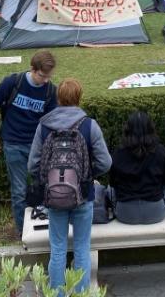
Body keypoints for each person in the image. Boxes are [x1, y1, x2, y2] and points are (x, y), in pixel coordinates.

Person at [28, 78, 111, 295]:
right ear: (79, 98)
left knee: (58, 249)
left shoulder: (44, 126)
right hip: (84, 194)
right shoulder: (89, 125)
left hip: (54, 197)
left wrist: (49, 179)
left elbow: (32, 165)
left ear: (59, 99)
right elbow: (106, 162)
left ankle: (58, 294)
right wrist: (88, 174)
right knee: (82, 248)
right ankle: (81, 293)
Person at [0, 50, 58, 237]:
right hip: (14, 144)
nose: (46, 80)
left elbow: (51, 121)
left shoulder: (51, 91)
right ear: (32, 69)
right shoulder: (13, 82)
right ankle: (21, 233)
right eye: (43, 76)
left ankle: (40, 231)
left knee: (41, 188)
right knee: (19, 191)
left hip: (38, 146)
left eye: (49, 76)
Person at [107, 111, 165, 224]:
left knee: (109, 188)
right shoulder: (160, 151)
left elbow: (113, 183)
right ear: (150, 128)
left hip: (125, 214)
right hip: (155, 213)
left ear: (127, 129)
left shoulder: (118, 153)